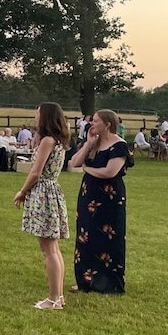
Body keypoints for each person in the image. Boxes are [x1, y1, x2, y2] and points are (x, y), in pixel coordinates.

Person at [14, 102, 70, 309]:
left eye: (38, 114)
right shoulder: (57, 140)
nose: (35, 117)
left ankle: (54, 298)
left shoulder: (48, 140)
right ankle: (58, 296)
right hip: (52, 192)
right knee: (52, 248)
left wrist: (22, 191)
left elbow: (36, 172)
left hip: (44, 194)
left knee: (49, 249)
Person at [69, 110, 129, 294]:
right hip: (89, 197)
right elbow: (74, 162)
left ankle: (109, 283)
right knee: (86, 237)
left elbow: (110, 172)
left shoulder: (119, 146)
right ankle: (85, 281)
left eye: (95, 121)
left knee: (109, 239)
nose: (91, 124)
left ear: (107, 124)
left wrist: (87, 169)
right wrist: (88, 144)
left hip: (109, 199)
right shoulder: (94, 143)